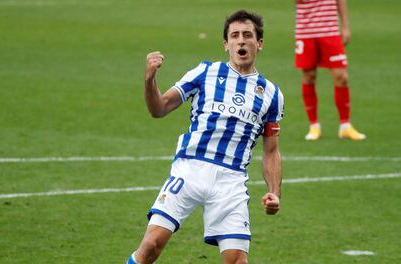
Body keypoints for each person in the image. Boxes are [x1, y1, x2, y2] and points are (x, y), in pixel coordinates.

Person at [126, 10, 284, 264]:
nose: (241, 41)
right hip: (190, 170)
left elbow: (271, 151)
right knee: (151, 247)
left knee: (236, 261)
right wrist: (149, 79)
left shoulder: (272, 94)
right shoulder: (205, 72)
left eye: (247, 35)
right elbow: (160, 108)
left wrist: (274, 192)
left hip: (230, 182)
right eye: (234, 36)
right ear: (226, 44)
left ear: (259, 43)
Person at [295, 0, 366, 140]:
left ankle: (345, 126)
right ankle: (314, 126)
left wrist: (345, 25)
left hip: (330, 31)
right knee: (309, 76)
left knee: (341, 76)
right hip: (305, 31)